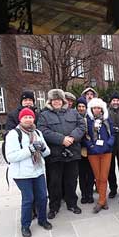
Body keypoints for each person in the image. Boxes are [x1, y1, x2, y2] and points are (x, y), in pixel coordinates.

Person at [5, 107, 53, 237]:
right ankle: (25, 226)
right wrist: (30, 149)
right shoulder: (14, 134)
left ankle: (42, 220)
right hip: (22, 174)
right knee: (29, 199)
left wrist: (43, 148)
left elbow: (47, 152)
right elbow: (11, 157)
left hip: (37, 171)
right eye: (25, 117)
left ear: (33, 119)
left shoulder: (37, 132)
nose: (28, 119)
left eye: (30, 117)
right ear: (20, 119)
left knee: (43, 197)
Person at [37, 89, 85, 218]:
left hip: (72, 153)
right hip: (54, 155)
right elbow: (43, 131)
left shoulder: (73, 113)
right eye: (54, 100)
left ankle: (72, 203)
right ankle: (54, 207)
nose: (57, 102)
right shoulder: (44, 115)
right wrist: (61, 139)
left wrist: (72, 138)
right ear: (50, 101)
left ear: (63, 101)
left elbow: (82, 126)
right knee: (54, 182)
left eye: (59, 100)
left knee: (71, 181)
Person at [82, 98, 114, 213]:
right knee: (98, 177)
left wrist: (108, 144)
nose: (97, 110)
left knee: (104, 177)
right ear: (91, 109)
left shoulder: (107, 119)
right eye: (94, 107)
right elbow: (85, 135)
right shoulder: (87, 120)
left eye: (99, 108)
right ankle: (103, 199)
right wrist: (91, 146)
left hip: (106, 151)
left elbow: (112, 134)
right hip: (93, 152)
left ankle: (100, 202)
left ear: (102, 109)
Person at [74, 98, 96, 205]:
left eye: (83, 106)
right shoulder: (73, 118)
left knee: (91, 174)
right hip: (78, 150)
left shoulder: (90, 118)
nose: (81, 108)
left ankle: (90, 194)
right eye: (79, 106)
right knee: (82, 174)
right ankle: (83, 195)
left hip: (90, 150)